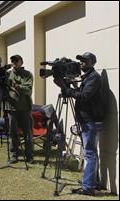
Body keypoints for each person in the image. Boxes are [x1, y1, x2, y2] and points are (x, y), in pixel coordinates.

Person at [54, 52, 103, 196]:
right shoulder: (87, 77)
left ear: (92, 62)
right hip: (87, 120)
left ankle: (88, 187)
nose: (81, 63)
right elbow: (81, 94)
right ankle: (95, 182)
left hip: (91, 121)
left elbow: (84, 96)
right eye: (80, 60)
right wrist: (71, 86)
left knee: (90, 153)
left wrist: (65, 87)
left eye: (85, 60)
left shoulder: (94, 77)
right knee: (92, 152)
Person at [5, 54, 34, 164]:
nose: (14, 63)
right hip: (11, 108)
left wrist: (16, 86)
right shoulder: (8, 74)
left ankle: (29, 155)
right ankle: (14, 155)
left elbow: (28, 89)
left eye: (16, 60)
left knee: (27, 133)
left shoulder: (27, 75)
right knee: (12, 133)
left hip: (25, 108)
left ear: (21, 62)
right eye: (12, 61)